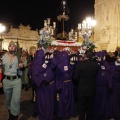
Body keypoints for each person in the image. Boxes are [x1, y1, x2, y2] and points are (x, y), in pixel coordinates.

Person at [73, 49, 99, 120]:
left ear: (85, 55)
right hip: (91, 89)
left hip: (82, 90)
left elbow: (75, 78)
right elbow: (96, 75)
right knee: (90, 108)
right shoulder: (96, 65)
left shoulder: (80, 64)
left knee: (81, 108)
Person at [1, 41, 24, 120]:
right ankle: (10, 114)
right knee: (8, 100)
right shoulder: (3, 57)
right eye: (10, 46)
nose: (12, 47)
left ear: (15, 48)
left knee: (16, 100)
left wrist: (21, 66)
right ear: (8, 47)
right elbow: (1, 69)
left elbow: (23, 65)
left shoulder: (18, 56)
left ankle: (15, 117)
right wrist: (0, 81)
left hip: (16, 81)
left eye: (14, 46)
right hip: (6, 81)